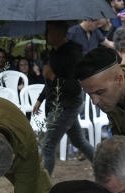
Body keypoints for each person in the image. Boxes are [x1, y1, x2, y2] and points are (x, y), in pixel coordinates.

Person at [32, 21, 94, 175]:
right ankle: (104, 167)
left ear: (59, 34)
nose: (46, 35)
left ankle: (43, 184)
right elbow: (50, 84)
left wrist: (52, 76)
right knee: (79, 141)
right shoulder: (53, 53)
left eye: (49, 32)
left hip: (68, 105)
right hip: (57, 103)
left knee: (47, 146)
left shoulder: (73, 54)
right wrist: (40, 99)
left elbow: (74, 87)